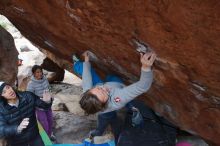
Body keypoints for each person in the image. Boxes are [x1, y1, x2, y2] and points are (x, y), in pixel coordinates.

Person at [73, 51, 156, 143]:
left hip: (109, 84)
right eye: (104, 93)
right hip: (118, 87)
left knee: (92, 72)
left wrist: (86, 60)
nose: (104, 88)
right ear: (105, 104)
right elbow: (142, 86)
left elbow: (87, 77)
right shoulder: (118, 98)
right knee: (106, 116)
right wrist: (146, 67)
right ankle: (103, 130)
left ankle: (76, 63)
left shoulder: (89, 94)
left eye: (97, 89)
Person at [0, 81, 52, 146]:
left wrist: (47, 102)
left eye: (8, 87)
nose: (9, 91)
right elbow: (1, 129)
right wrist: (17, 128)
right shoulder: (1, 109)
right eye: (4, 92)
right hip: (16, 142)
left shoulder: (28, 96)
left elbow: (44, 106)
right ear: (1, 95)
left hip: (34, 137)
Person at [26, 65, 55, 141]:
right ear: (33, 74)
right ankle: (45, 139)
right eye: (37, 72)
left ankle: (50, 134)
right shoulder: (31, 84)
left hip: (48, 104)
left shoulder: (45, 80)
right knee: (44, 123)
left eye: (40, 72)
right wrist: (39, 99)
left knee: (50, 120)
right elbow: (29, 97)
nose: (39, 74)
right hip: (39, 107)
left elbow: (49, 88)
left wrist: (51, 96)